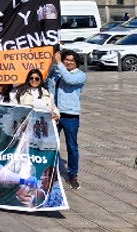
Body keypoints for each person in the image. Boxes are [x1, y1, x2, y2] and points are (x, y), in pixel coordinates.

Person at [47, 50, 86, 189]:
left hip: (70, 115)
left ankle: (73, 174)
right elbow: (46, 81)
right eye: (66, 59)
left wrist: (58, 63)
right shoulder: (57, 72)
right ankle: (50, 172)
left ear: (77, 63)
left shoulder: (80, 75)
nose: (68, 62)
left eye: (72, 60)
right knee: (51, 145)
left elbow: (69, 80)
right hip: (54, 114)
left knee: (72, 146)